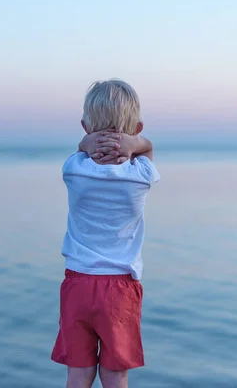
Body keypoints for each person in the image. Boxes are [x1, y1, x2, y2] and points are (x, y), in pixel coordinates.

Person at [51, 79, 160, 388]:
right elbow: (148, 147)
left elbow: (79, 150)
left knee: (78, 372)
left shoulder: (74, 169)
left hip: (78, 283)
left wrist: (87, 145)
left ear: (85, 127)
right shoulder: (141, 176)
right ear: (137, 128)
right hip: (119, 289)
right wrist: (134, 143)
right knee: (115, 374)